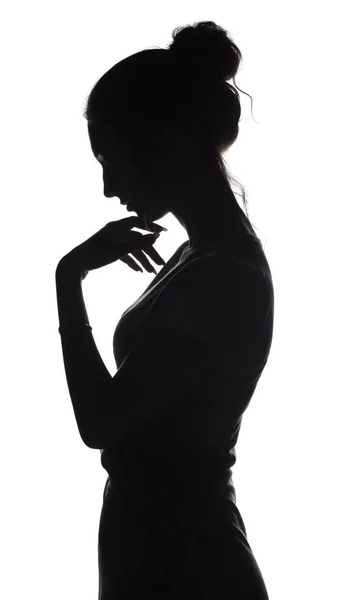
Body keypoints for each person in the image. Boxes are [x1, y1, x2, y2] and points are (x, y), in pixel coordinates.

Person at [84, 20, 274, 599]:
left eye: (112, 159)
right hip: (159, 554)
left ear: (167, 145)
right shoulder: (199, 256)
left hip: (188, 566)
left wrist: (68, 281)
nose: (108, 186)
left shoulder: (221, 275)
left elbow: (101, 423)